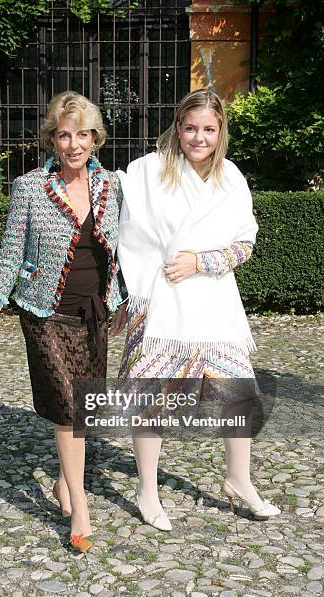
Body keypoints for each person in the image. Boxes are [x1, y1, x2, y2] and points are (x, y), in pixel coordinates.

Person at [0, 91, 127, 553]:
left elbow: (127, 247)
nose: (73, 144)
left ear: (95, 139)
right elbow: (11, 252)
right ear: (53, 140)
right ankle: (79, 504)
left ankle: (62, 480)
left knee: (86, 408)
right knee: (68, 409)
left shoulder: (113, 186)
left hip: (93, 309)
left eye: (82, 134)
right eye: (63, 134)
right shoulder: (31, 186)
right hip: (44, 311)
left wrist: (127, 301)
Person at [117, 89, 280, 531]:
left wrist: (200, 261)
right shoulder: (147, 171)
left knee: (238, 393)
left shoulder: (231, 178)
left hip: (212, 298)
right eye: (190, 128)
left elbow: (245, 242)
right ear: (177, 126)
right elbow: (126, 235)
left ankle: (239, 479)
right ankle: (147, 490)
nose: (199, 137)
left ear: (220, 131)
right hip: (157, 303)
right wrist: (126, 297)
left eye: (209, 129)